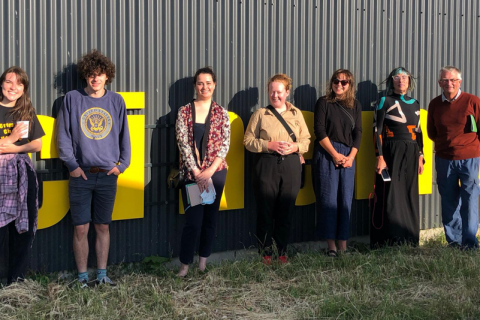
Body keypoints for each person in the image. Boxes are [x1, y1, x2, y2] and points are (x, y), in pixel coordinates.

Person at [57, 50, 131, 287]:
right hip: (81, 176)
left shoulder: (116, 101)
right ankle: (82, 278)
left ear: (107, 76)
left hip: (108, 176)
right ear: (85, 76)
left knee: (102, 226)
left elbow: (124, 137)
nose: (95, 78)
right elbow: (63, 137)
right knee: (80, 228)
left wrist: (122, 166)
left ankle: (101, 275)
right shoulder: (72, 98)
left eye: (100, 74)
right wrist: (72, 166)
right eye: (91, 74)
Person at [244, 73, 310, 264]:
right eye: (272, 92)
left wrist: (296, 147)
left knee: (286, 210)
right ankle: (265, 253)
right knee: (265, 211)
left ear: (287, 92)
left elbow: (306, 140)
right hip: (266, 165)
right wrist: (268, 145)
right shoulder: (260, 115)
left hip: (290, 165)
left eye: (279, 92)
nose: (275, 96)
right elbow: (248, 141)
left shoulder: (297, 114)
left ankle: (282, 252)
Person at [175, 67, 230, 277]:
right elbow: (183, 144)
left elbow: (225, 145)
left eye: (208, 83)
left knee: (210, 219)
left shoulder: (221, 113)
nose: (204, 87)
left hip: (215, 173)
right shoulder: (184, 111)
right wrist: (198, 171)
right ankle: (184, 265)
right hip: (192, 175)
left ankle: (203, 264)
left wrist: (210, 171)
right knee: (193, 221)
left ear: (214, 85)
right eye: (200, 83)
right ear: (195, 85)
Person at [427, 66, 480, 249]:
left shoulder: (472, 101)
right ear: (439, 83)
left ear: (459, 81)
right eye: (444, 80)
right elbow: (431, 132)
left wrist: (469, 147)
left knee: (470, 199)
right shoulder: (434, 104)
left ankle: (470, 242)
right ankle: (454, 242)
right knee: (449, 202)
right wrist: (446, 146)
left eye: (452, 80)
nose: (448, 83)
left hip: (469, 159)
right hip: (444, 160)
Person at [0, 67, 44, 285]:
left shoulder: (25, 111)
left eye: (19, 84)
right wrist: (11, 138)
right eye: (9, 82)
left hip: (22, 176)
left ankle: (15, 282)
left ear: (24, 88)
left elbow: (37, 144)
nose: (13, 87)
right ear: (1, 84)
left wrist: (13, 148)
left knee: (22, 229)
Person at [371, 67, 424, 248]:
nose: (401, 80)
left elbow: (419, 132)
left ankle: (410, 238)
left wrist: (420, 154)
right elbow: (376, 130)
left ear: (409, 80)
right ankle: (390, 240)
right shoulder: (384, 101)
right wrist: (380, 156)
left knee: (409, 193)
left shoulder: (415, 103)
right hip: (391, 152)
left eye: (404, 77)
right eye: (397, 77)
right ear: (391, 81)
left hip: (411, 152)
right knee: (391, 194)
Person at [312, 69, 362, 257]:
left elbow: (358, 132)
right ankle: (331, 247)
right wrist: (334, 154)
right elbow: (319, 130)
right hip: (327, 154)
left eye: (344, 82)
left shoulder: (355, 105)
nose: (339, 85)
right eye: (336, 81)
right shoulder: (323, 102)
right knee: (328, 199)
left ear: (350, 85)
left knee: (345, 200)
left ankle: (343, 245)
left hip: (348, 156)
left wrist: (351, 157)